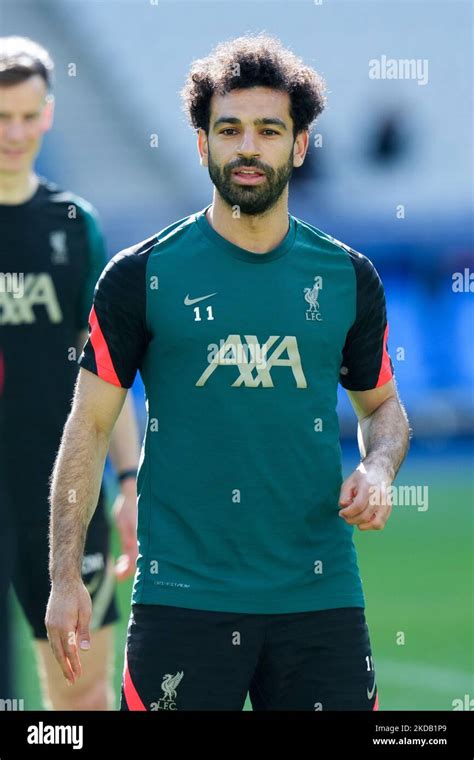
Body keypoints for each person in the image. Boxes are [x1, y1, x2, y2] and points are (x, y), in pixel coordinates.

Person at [45, 33, 410, 711]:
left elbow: (383, 411)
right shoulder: (139, 276)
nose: (248, 147)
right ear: (202, 143)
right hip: (181, 600)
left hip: (319, 597)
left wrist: (380, 468)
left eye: (269, 130)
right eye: (229, 129)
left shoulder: (348, 278)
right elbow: (88, 427)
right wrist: (65, 576)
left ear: (299, 146)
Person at [0, 36, 140, 710]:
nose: (16, 133)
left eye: (29, 116)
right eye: (1, 118)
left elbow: (105, 370)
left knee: (82, 708)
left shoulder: (73, 223)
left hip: (63, 501)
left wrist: (132, 481)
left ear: (49, 114)